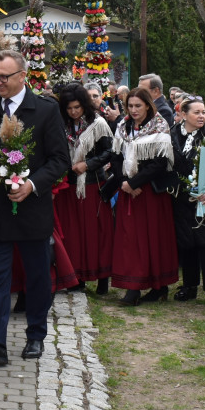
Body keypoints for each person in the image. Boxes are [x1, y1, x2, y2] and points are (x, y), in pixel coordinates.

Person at [0, 50, 70, 366]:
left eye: (4, 77)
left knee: (37, 277)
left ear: (22, 76)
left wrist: (32, 185)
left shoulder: (45, 110)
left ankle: (35, 335)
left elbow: (60, 159)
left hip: (33, 210)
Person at [110, 88, 178, 306]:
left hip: (150, 192)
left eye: (138, 106)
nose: (133, 110)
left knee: (152, 238)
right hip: (129, 190)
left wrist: (134, 183)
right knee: (130, 239)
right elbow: (116, 156)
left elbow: (160, 163)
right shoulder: (123, 125)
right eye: (130, 106)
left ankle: (159, 285)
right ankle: (133, 286)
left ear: (148, 105)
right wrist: (124, 182)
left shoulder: (159, 125)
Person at [55, 85, 114, 294]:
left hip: (92, 184)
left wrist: (88, 164)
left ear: (85, 105)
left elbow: (110, 151)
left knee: (97, 233)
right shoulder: (62, 124)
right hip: (68, 186)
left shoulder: (98, 124)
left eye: (77, 107)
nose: (74, 112)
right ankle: (76, 276)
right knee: (73, 234)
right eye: (69, 108)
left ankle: (102, 279)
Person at [170, 96, 205, 311]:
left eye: (204, 112)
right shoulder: (173, 134)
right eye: (196, 112)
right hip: (182, 198)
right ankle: (189, 285)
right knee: (187, 243)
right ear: (184, 115)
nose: (202, 116)